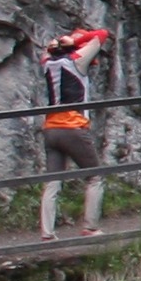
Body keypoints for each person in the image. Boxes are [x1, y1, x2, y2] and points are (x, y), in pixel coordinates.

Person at [36, 28, 110, 239]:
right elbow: (102, 34)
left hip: (50, 129)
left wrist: (61, 41)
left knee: (53, 181)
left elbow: (48, 50)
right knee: (95, 176)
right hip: (73, 127)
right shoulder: (77, 60)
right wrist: (77, 39)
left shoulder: (47, 63)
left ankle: (47, 233)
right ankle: (91, 227)